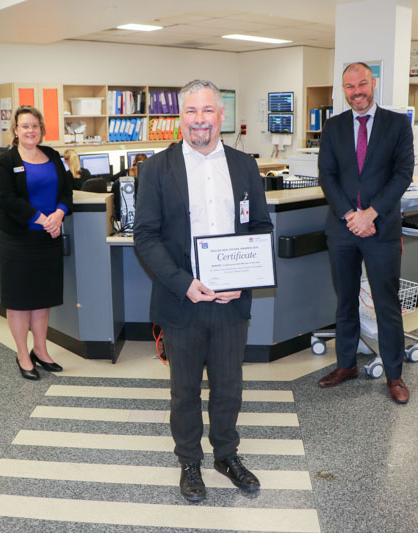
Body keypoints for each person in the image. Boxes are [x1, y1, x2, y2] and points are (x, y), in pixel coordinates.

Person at [134, 79, 273, 503]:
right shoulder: (157, 168)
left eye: (207, 111)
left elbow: (260, 227)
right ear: (180, 118)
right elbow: (146, 237)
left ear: (221, 115)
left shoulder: (245, 165)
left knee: (230, 385)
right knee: (185, 390)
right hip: (183, 301)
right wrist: (184, 283)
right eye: (191, 112)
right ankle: (190, 461)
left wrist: (241, 280)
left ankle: (226, 455)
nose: (200, 121)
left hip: (231, 303)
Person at [316, 62, 414, 404]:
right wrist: (349, 215)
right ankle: (346, 365)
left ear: (373, 84)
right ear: (343, 89)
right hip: (342, 230)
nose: (356, 92)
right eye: (349, 86)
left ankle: (394, 374)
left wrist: (370, 214)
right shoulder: (333, 127)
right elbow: (326, 176)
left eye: (361, 84)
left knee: (386, 304)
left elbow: (403, 175)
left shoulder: (397, 124)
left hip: (381, 228)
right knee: (344, 301)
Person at [0, 106, 72, 380]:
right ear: (15, 129)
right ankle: (22, 353)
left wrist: (60, 213)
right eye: (25, 126)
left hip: (47, 239)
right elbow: (8, 199)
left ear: (41, 129)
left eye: (35, 126)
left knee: (42, 298)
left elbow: (66, 188)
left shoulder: (51, 155)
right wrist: (43, 219)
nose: (30, 131)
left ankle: (41, 349)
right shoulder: (5, 161)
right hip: (17, 239)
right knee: (19, 300)